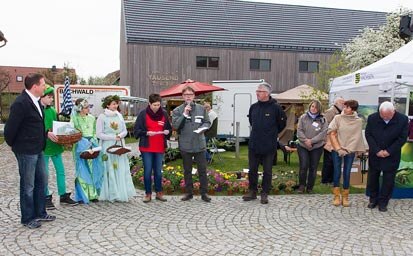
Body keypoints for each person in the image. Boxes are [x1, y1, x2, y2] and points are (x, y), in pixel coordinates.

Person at [4, 73, 56, 229]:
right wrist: (17, 147)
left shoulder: (37, 102)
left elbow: (35, 125)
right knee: (28, 185)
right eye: (43, 85)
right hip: (26, 151)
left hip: (39, 149)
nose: (45, 88)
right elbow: (9, 130)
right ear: (35, 87)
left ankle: (40, 212)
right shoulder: (21, 103)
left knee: (41, 181)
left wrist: (45, 134)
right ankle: (27, 217)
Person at [242, 82, 287, 204]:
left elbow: (282, 123)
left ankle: (265, 193)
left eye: (259, 91)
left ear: (267, 93)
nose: (257, 93)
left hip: (269, 144)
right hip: (254, 143)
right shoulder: (254, 107)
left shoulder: (276, 107)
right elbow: (252, 121)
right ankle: (252, 191)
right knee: (252, 169)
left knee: (267, 170)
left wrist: (272, 133)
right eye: (257, 91)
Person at [365, 101, 408, 212]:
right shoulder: (372, 118)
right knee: (373, 178)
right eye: (382, 116)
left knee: (388, 180)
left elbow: (402, 138)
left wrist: (389, 151)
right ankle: (373, 199)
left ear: (393, 112)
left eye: (387, 116)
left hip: (391, 155)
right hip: (376, 154)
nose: (384, 118)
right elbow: (368, 134)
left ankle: (383, 201)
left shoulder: (403, 119)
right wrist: (377, 150)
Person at [40, 85, 78, 209]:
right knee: (44, 173)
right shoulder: (38, 110)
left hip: (55, 145)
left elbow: (58, 126)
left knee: (61, 171)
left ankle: (63, 195)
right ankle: (46, 196)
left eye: (52, 97)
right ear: (42, 97)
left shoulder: (52, 111)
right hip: (44, 147)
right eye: (49, 97)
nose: (51, 99)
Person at [172, 86, 212, 202]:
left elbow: (207, 122)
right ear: (182, 96)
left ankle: (204, 193)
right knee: (187, 170)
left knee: (202, 170)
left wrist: (203, 128)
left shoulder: (201, 109)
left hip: (200, 144)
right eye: (186, 95)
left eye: (190, 94)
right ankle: (189, 193)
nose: (188, 96)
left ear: (194, 96)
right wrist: (184, 114)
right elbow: (176, 126)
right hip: (186, 145)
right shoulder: (177, 110)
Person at [97, 95, 136, 202]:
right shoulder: (102, 117)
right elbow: (99, 134)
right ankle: (111, 193)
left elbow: (125, 130)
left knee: (119, 167)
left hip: (119, 143)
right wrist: (112, 137)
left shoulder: (119, 115)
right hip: (107, 145)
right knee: (109, 167)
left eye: (116, 103)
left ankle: (120, 191)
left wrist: (120, 135)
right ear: (107, 105)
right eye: (113, 104)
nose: (116, 106)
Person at [134, 93, 172, 203]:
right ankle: (148, 193)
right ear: (149, 104)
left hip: (159, 148)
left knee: (158, 172)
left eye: (158, 105)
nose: (156, 107)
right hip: (147, 148)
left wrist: (167, 132)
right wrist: (146, 133)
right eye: (154, 105)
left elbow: (169, 130)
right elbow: (136, 131)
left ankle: (159, 192)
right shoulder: (143, 114)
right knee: (147, 171)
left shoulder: (164, 114)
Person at [328, 100, 366, 207]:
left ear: (353, 109)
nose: (345, 108)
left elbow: (357, 137)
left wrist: (349, 149)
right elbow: (331, 131)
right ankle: (336, 195)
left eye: (348, 107)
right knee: (336, 171)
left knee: (347, 172)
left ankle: (345, 196)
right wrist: (339, 148)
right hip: (337, 149)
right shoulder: (338, 118)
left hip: (350, 150)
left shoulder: (358, 121)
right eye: (345, 106)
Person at [71, 98, 103, 204]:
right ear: (80, 108)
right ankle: (82, 195)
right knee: (82, 170)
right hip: (80, 146)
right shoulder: (75, 119)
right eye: (85, 107)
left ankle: (93, 194)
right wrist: (83, 142)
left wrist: (93, 143)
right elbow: (72, 131)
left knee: (93, 168)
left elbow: (94, 132)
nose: (88, 109)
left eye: (88, 107)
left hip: (91, 145)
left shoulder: (92, 118)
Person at [296, 100, 328, 193]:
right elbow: (299, 131)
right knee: (304, 165)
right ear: (310, 107)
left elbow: (323, 133)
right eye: (312, 106)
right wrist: (306, 140)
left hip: (317, 146)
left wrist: (312, 141)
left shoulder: (323, 120)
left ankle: (310, 187)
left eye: (316, 107)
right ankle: (302, 186)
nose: (314, 109)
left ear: (319, 109)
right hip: (303, 145)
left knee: (313, 167)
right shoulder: (303, 117)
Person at [321, 97, 345, 185]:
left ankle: (331, 179)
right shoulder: (331, 111)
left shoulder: (340, 112)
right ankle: (325, 180)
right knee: (328, 161)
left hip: (336, 140)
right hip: (329, 140)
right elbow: (324, 125)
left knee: (334, 161)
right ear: (337, 103)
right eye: (342, 103)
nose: (344, 105)